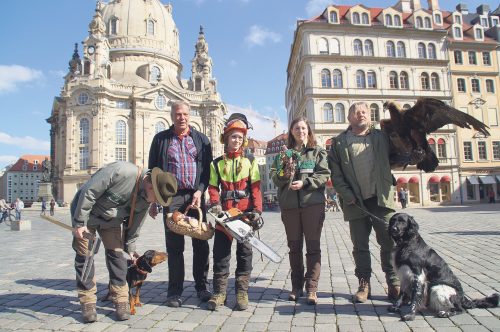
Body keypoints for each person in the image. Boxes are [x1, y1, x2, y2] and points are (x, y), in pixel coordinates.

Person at [71, 161, 177, 323]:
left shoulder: (146, 198)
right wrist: (79, 223)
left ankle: (121, 299)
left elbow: (136, 223)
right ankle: (88, 302)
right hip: (86, 215)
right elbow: (88, 192)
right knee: (85, 257)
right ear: (150, 186)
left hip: (111, 222)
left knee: (118, 257)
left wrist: (131, 247)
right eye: (158, 198)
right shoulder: (121, 172)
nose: (156, 202)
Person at [328, 102, 400, 303]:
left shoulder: (382, 137)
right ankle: (364, 284)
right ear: (349, 118)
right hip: (355, 201)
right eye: (356, 112)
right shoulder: (339, 142)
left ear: (369, 116)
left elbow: (399, 153)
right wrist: (345, 193)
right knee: (360, 245)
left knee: (388, 242)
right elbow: (336, 174)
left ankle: (393, 282)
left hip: (381, 198)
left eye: (364, 112)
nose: (360, 115)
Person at [148, 100, 213, 307]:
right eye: (178, 114)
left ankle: (201, 286)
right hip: (171, 197)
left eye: (185, 114)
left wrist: (200, 191)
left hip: (195, 195)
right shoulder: (161, 140)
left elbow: (207, 172)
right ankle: (174, 292)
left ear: (189, 114)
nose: (181, 117)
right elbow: (153, 172)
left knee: (200, 243)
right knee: (174, 246)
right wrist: (153, 201)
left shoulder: (202, 140)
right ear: (172, 115)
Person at [270, 117, 330, 305]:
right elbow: (275, 177)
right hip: (290, 207)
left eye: (304, 128)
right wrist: (284, 174)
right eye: (297, 128)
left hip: (312, 205)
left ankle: (312, 288)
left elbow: (324, 175)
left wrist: (305, 182)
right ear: (292, 132)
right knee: (294, 248)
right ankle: (297, 287)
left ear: (308, 131)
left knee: (313, 247)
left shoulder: (318, 152)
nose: (300, 131)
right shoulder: (283, 155)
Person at [206, 113, 263, 311]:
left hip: (245, 214)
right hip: (224, 215)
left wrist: (257, 210)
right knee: (221, 254)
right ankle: (219, 293)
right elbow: (213, 188)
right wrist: (215, 204)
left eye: (240, 137)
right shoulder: (216, 163)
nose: (236, 140)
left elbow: (255, 187)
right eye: (233, 136)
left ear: (243, 139)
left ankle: (241, 293)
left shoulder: (250, 161)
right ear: (226, 138)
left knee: (244, 254)